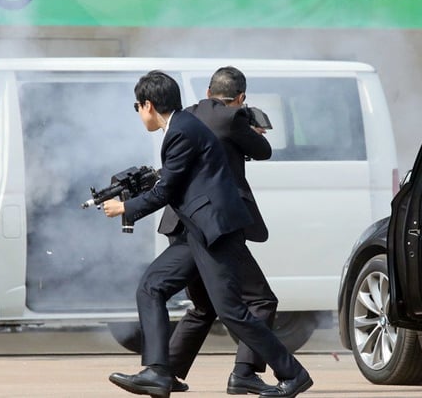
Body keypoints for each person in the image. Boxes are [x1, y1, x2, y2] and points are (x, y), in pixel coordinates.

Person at [102, 71, 312, 398]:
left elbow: (166, 191)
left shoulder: (181, 132)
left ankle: (293, 374)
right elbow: (175, 181)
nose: (139, 113)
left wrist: (125, 209)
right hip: (196, 231)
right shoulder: (183, 126)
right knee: (152, 287)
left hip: (214, 231)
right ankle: (158, 373)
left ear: (148, 105)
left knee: (231, 311)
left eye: (137, 106)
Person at [165, 66, 277, 394]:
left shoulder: (185, 115)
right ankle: (244, 372)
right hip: (215, 228)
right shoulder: (232, 118)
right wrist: (251, 131)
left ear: (208, 91)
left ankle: (165, 371)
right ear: (240, 98)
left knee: (204, 306)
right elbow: (263, 152)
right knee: (261, 300)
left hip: (181, 224)